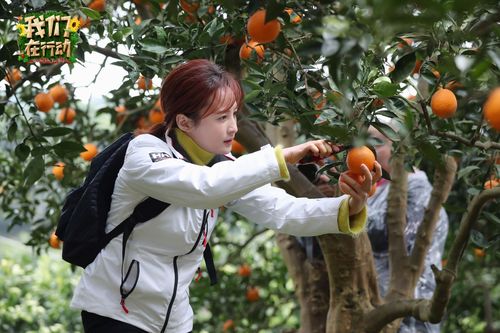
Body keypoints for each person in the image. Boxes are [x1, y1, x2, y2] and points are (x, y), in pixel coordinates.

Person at [70, 59, 382, 333]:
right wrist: (282, 157)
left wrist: (350, 205)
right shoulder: (144, 156)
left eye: (234, 114)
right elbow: (203, 188)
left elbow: (282, 211)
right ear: (184, 122)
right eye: (221, 118)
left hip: (174, 320)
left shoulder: (222, 166)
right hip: (116, 313)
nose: (233, 127)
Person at [366, 126, 449, 333]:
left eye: (376, 142)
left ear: (399, 148)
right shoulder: (379, 191)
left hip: (410, 317)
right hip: (382, 311)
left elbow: (388, 234)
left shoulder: (417, 191)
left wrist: (345, 207)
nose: (367, 151)